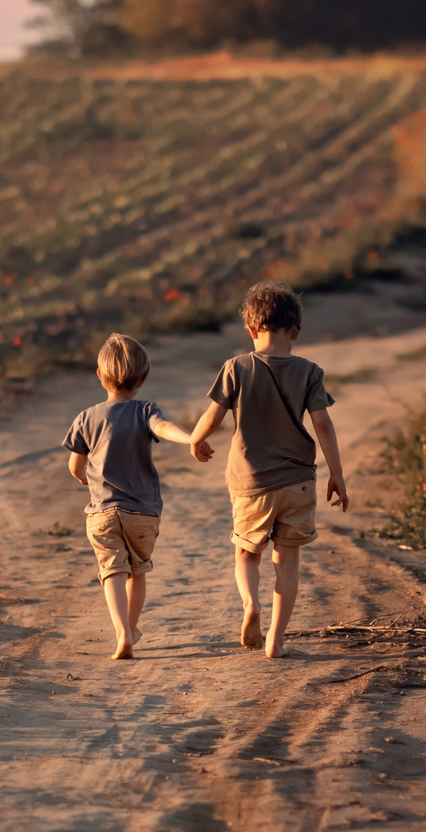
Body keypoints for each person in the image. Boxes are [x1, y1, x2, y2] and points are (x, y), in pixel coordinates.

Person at [186, 282, 346, 656]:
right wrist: (336, 473)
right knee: (288, 559)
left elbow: (213, 417)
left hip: (251, 483)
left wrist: (196, 439)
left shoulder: (236, 368)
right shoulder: (309, 372)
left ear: (251, 329)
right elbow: (323, 424)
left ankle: (251, 605)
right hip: (298, 481)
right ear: (295, 331)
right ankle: (276, 639)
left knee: (247, 553)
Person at [63, 333, 200, 660]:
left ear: (100, 375)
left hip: (102, 514)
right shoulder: (146, 410)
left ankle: (121, 631)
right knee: (137, 572)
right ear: (143, 378)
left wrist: (83, 477)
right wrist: (192, 437)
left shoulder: (86, 417)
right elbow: (164, 427)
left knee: (113, 571)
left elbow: (74, 466)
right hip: (142, 513)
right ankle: (132, 629)